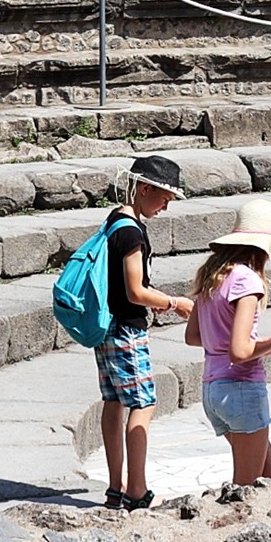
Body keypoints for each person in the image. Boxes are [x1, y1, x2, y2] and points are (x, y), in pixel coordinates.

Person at [184, 198, 271, 488]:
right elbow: (240, 352)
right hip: (241, 389)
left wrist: (269, 344)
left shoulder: (212, 276)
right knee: (245, 492)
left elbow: (194, 336)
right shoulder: (247, 280)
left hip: (213, 390)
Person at [96, 155, 195, 510]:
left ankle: (114, 485)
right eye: (164, 198)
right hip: (126, 328)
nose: (165, 207)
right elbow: (136, 290)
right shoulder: (131, 231)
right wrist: (175, 303)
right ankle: (136, 490)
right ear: (144, 188)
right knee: (143, 403)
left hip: (107, 327)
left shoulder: (113, 221)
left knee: (113, 401)